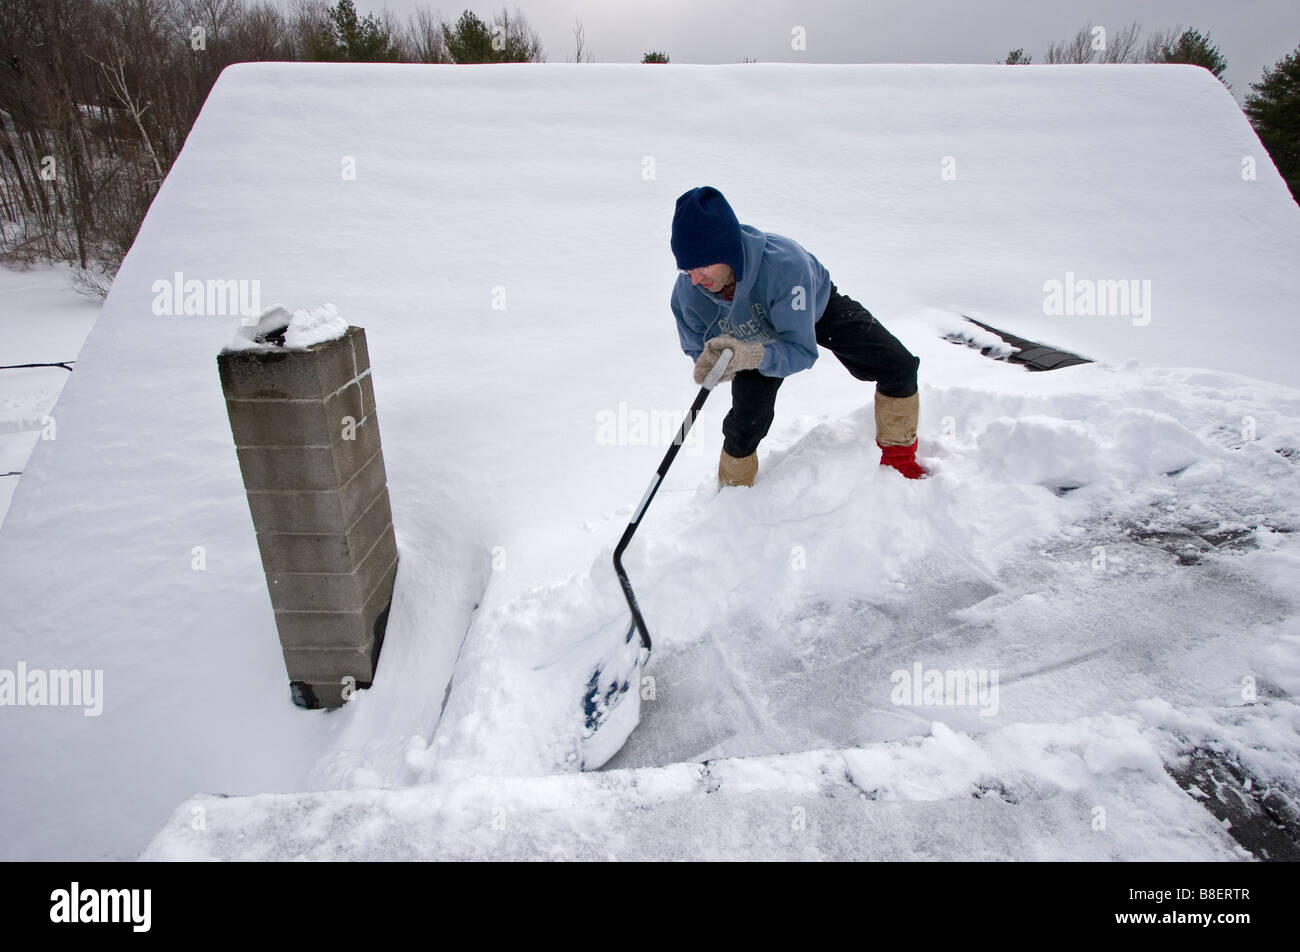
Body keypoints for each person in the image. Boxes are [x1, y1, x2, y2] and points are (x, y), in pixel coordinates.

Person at [669, 185, 927, 486]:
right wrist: (711, 362)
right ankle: (732, 492)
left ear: (729, 251)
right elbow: (696, 348)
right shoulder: (688, 294)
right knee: (744, 425)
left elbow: (800, 352)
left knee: (898, 366)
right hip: (747, 343)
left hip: (814, 309)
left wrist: (751, 355)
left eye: (702, 267)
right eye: (687, 270)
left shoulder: (785, 267)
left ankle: (899, 461)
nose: (696, 279)